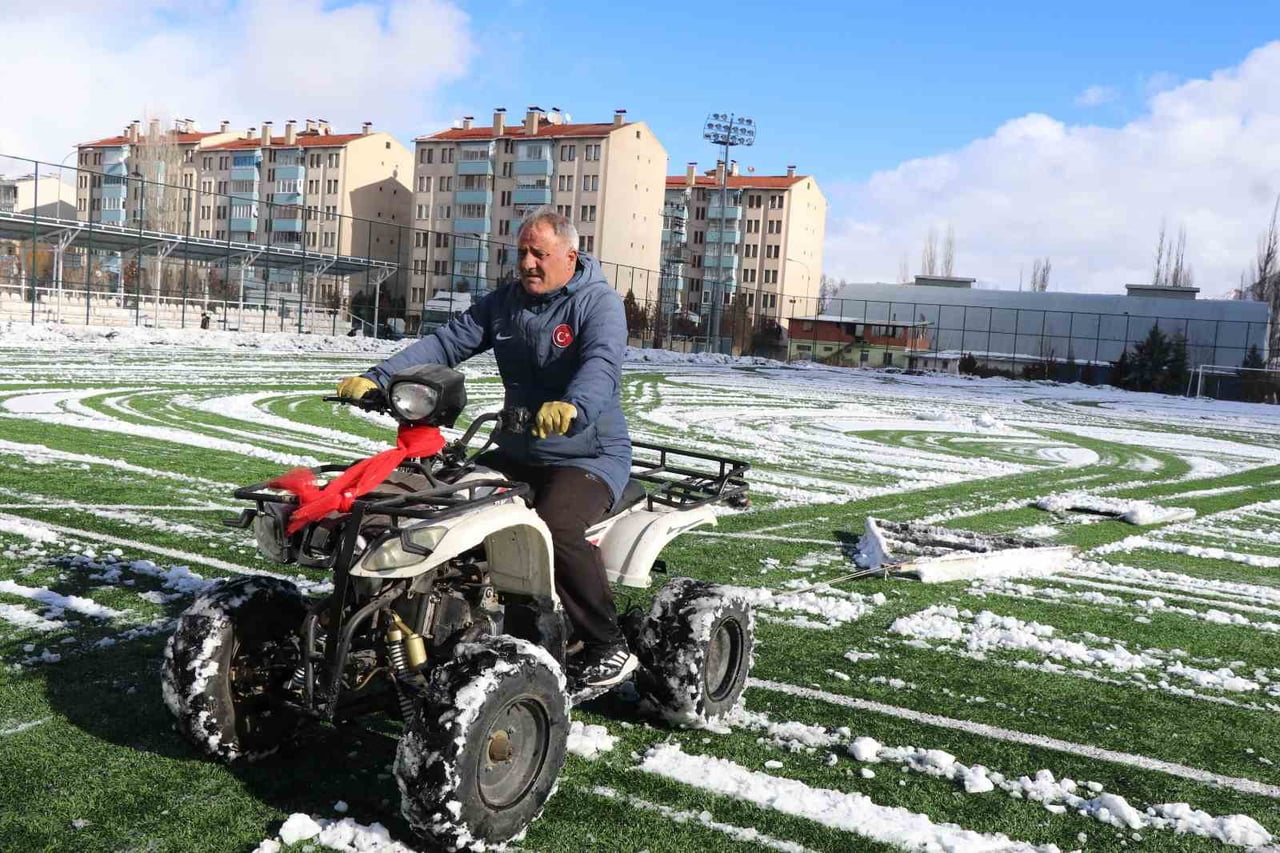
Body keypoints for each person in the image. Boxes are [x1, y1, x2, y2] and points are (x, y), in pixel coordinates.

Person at [336, 208, 636, 688]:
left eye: (539, 254)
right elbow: (445, 344)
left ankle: (607, 645)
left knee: (557, 525)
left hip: (587, 455)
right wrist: (380, 376)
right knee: (442, 502)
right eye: (522, 253)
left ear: (570, 256)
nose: (528, 263)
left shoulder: (598, 303)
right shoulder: (505, 303)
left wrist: (574, 406)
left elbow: (601, 364)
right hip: (515, 448)